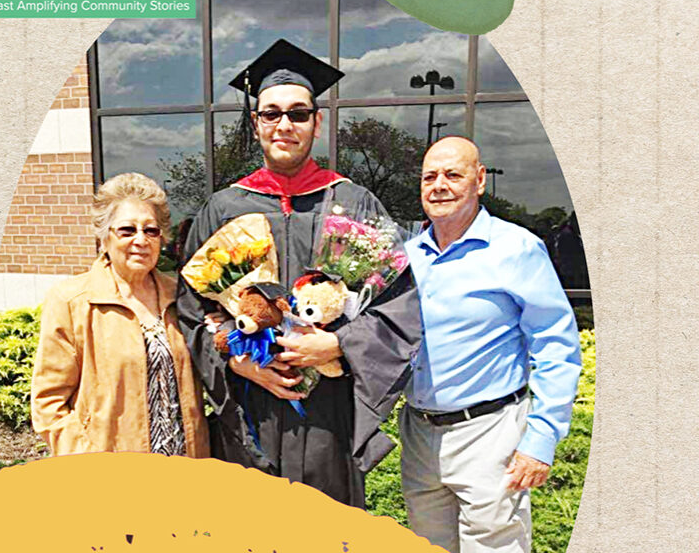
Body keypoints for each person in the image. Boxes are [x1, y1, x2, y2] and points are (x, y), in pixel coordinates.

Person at [176, 39, 421, 507]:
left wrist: (338, 344)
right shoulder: (224, 207)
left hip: (328, 410)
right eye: (271, 113)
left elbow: (400, 305)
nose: (284, 124)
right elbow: (192, 313)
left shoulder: (353, 202)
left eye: (298, 113)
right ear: (257, 123)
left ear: (317, 121)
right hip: (251, 408)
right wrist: (238, 361)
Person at [400, 136, 581, 553]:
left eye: (452, 174)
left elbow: (556, 346)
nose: (439, 185)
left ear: (479, 180)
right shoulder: (408, 255)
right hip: (419, 434)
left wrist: (541, 440)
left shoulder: (516, 250)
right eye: (429, 177)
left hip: (490, 433)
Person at [31, 172, 209, 458]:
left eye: (151, 231)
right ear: (104, 236)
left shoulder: (181, 296)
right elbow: (48, 403)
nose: (141, 240)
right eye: (127, 230)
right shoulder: (72, 301)